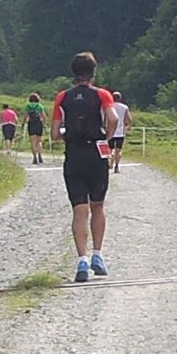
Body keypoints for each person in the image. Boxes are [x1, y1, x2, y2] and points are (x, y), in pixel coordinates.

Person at [54, 52, 117, 280]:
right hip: (96, 154)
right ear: (93, 72)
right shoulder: (102, 94)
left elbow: (54, 133)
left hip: (74, 155)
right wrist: (106, 137)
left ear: (73, 73)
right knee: (97, 206)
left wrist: (67, 133)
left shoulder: (63, 97)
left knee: (79, 211)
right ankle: (97, 254)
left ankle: (82, 260)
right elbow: (113, 119)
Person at [108, 90, 131, 172]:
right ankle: (117, 166)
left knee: (110, 149)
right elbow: (128, 120)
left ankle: (110, 162)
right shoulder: (124, 107)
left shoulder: (110, 106)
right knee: (118, 150)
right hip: (120, 132)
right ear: (120, 98)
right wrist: (127, 127)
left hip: (110, 131)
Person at [24, 93, 46, 165]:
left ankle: (34, 158)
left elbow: (25, 116)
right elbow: (44, 117)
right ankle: (40, 155)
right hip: (38, 124)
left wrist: (23, 123)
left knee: (33, 142)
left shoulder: (27, 106)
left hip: (31, 124)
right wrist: (44, 124)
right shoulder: (40, 106)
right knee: (39, 141)